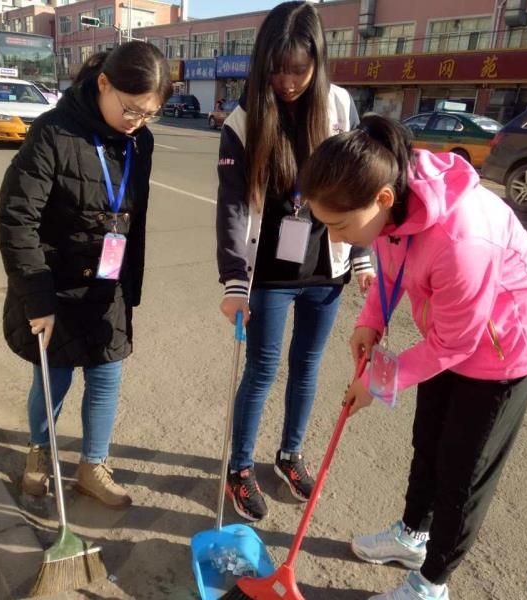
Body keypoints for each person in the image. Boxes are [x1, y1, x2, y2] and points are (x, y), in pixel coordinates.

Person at [298, 114, 527, 600]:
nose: (334, 237)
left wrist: (377, 382)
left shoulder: (463, 239)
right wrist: (371, 320)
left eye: (339, 225)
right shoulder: (391, 200)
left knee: (462, 474)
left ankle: (431, 583)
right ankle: (412, 536)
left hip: (503, 351)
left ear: (382, 199)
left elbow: (457, 343)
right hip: (447, 334)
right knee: (428, 444)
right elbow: (391, 268)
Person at [216, 1, 374, 522]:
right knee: (262, 370)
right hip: (268, 275)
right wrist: (234, 281)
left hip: (327, 267)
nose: (286, 82)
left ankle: (289, 455)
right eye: (276, 70)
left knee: (308, 366)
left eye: (298, 70)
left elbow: (361, 184)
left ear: (317, 62)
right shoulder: (244, 120)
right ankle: (240, 468)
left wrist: (363, 257)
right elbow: (233, 206)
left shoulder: (340, 106)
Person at [0, 41, 171, 508]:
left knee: (107, 375)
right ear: (103, 84)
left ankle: (93, 465)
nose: (137, 121)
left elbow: (134, 219)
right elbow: (16, 219)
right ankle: (40, 452)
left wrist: (129, 286)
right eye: (131, 108)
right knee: (53, 380)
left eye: (149, 114)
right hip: (53, 284)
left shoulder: (141, 141)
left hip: (108, 282)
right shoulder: (52, 133)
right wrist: (37, 299)